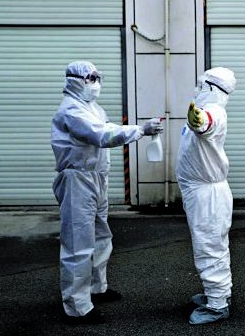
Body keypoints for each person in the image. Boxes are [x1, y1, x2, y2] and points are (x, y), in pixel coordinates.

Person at [51, 60, 163, 324]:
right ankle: (77, 307)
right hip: (78, 180)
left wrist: (137, 130)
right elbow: (101, 135)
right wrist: (141, 130)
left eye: (98, 78)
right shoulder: (71, 111)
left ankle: (95, 287)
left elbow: (108, 127)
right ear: (75, 80)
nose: (96, 84)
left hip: (96, 179)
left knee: (101, 234)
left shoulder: (91, 107)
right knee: (78, 243)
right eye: (91, 79)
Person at [176, 67, 237, 325]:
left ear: (211, 87)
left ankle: (217, 305)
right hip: (202, 192)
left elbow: (206, 125)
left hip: (207, 195)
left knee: (209, 247)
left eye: (201, 84)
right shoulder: (207, 110)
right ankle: (218, 293)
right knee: (212, 245)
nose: (197, 88)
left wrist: (200, 121)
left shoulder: (213, 113)